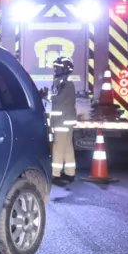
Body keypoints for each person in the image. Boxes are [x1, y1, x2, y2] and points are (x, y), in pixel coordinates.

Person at [49, 56, 78, 185]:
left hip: (62, 120)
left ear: (66, 69)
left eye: (58, 67)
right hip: (67, 119)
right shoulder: (65, 82)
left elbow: (57, 98)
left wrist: (46, 95)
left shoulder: (63, 83)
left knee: (58, 147)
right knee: (67, 146)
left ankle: (55, 174)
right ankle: (70, 172)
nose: (55, 69)